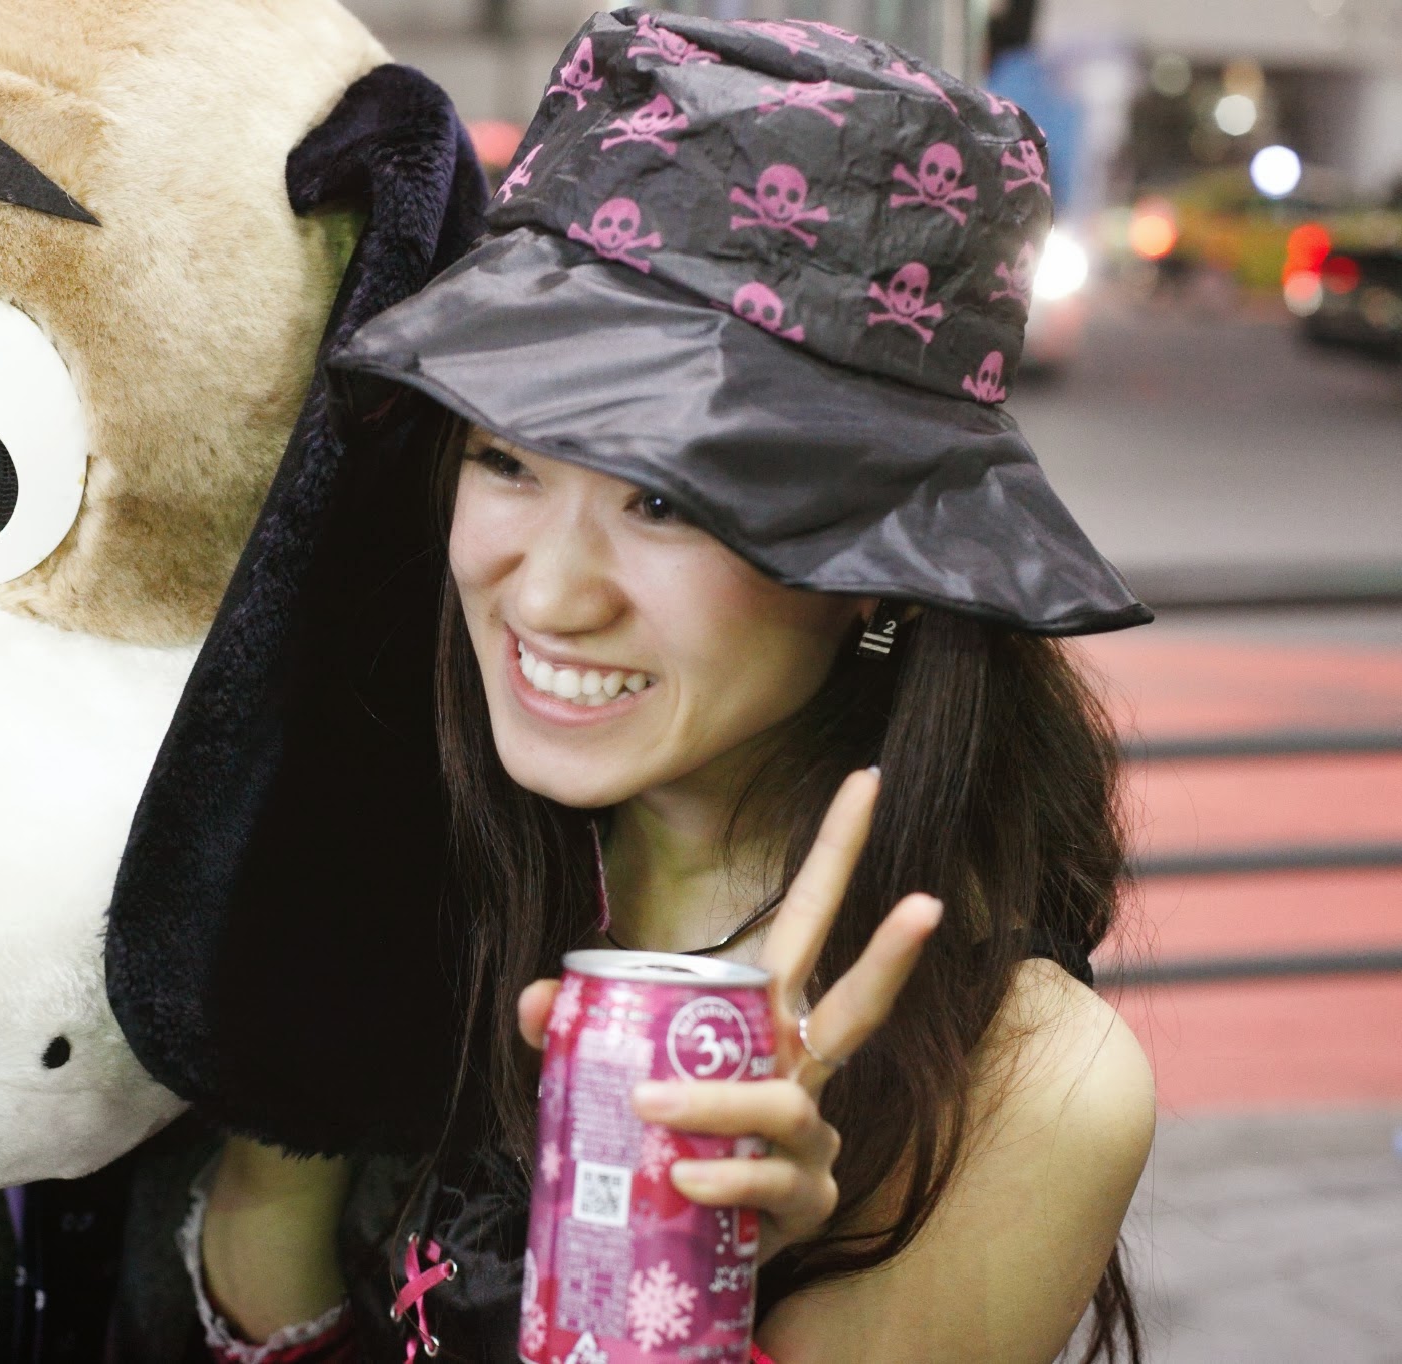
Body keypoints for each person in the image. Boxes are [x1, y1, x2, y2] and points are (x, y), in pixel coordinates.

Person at [189, 11, 1157, 1363]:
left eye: (662, 496)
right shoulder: (403, 810)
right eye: (506, 459)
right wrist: (280, 1097)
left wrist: (681, 1269)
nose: (545, 594)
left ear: (878, 560)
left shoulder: (1029, 1085)